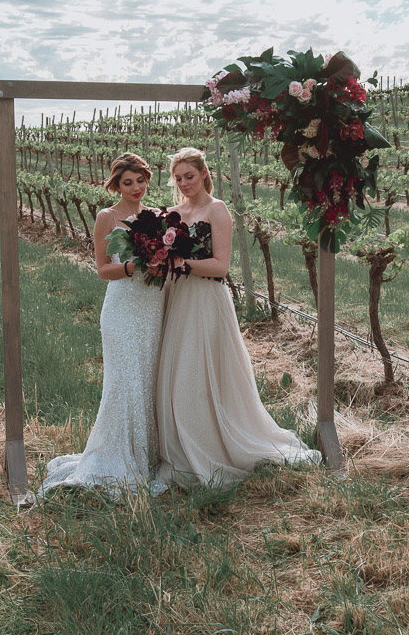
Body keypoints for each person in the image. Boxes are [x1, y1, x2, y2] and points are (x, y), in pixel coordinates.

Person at [154, 147, 320, 489]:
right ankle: (180, 451)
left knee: (201, 371)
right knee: (176, 374)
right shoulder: (170, 213)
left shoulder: (217, 210)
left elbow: (221, 266)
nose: (184, 183)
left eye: (190, 176)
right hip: (176, 298)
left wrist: (181, 263)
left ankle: (214, 447)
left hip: (205, 299)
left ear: (203, 174)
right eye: (178, 178)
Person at [40, 153, 167, 498]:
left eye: (141, 180)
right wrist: (138, 265)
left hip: (153, 306)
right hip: (123, 307)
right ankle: (116, 458)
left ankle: (148, 456)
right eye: (128, 182)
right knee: (124, 382)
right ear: (116, 184)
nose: (136, 188)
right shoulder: (107, 217)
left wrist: (161, 263)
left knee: (148, 380)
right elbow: (102, 269)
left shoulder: (156, 216)